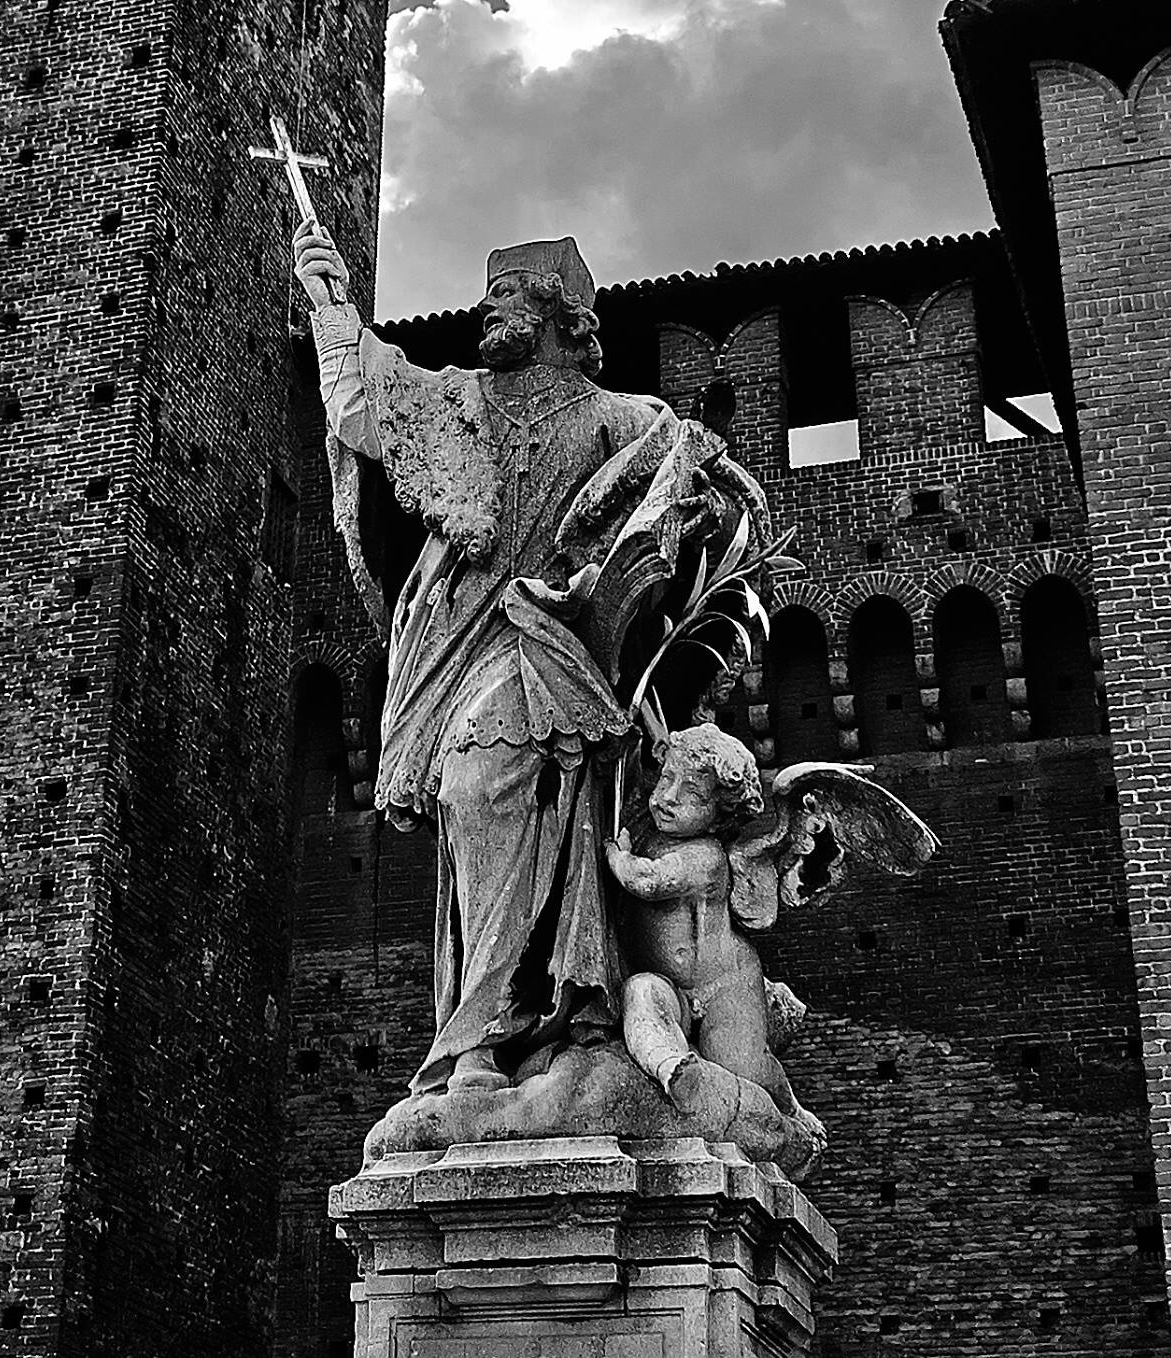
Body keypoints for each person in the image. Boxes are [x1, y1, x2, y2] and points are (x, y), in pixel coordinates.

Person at [292, 221, 720, 1094]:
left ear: (561, 317)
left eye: (507, 297)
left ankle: (488, 1036)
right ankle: (489, 1026)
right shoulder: (460, 402)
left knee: (482, 787)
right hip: (462, 642)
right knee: (469, 806)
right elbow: (366, 403)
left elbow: (698, 506)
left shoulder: (623, 421)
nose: (487, 312)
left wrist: (670, 517)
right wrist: (329, 302)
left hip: (560, 649)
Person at [602, 723, 816, 1135]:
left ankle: (790, 1106)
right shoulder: (652, 831)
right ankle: (673, 1068)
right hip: (673, 986)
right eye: (666, 779)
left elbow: (646, 882)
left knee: (744, 1065)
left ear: (721, 816)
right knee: (641, 995)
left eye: (693, 795)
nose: (668, 798)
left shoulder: (706, 857)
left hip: (726, 985)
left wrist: (617, 855)